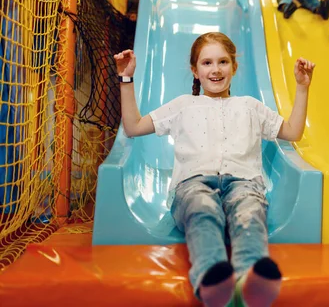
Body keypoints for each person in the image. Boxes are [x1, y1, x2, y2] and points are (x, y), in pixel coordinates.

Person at [114, 32, 316, 307]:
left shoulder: (250, 107)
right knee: (202, 208)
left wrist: (302, 88)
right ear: (194, 70)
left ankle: (249, 281)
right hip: (192, 184)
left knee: (249, 209)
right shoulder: (184, 105)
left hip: (243, 182)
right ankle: (212, 279)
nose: (216, 69)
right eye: (207, 63)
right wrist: (126, 79)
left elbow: (292, 132)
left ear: (234, 66)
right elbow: (133, 126)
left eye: (223, 61)